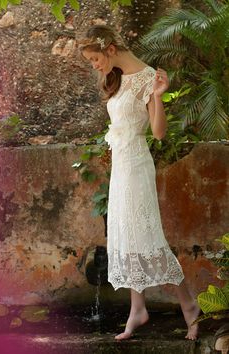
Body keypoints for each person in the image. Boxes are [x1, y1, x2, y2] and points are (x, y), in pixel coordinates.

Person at [78, 24, 200, 341]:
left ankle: (188, 304)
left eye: (94, 59)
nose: (94, 66)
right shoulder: (114, 77)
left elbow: (158, 133)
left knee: (146, 234)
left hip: (136, 165)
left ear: (110, 49)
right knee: (126, 234)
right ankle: (137, 309)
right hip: (121, 167)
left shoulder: (147, 76)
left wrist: (158, 96)